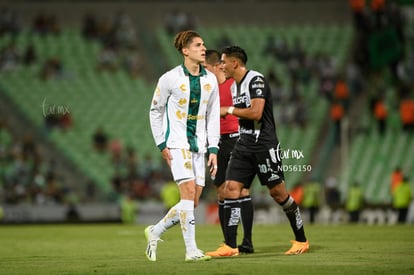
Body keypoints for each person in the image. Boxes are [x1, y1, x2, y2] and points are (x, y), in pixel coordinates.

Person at [206, 46, 309, 257]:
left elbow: (256, 112)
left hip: (264, 146)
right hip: (243, 145)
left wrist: (229, 110)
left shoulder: (256, 80)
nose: (221, 66)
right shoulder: (234, 86)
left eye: (224, 62)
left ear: (235, 63)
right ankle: (230, 246)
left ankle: (301, 239)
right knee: (230, 189)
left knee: (278, 194)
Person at [146, 30, 220, 262]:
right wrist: (161, 143)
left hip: (200, 147)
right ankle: (191, 251)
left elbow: (213, 116)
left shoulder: (210, 80)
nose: (203, 48)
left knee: (192, 202)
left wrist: (214, 149)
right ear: (185, 50)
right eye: (198, 45)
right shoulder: (169, 78)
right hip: (177, 144)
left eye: (204, 44)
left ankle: (154, 231)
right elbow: (155, 111)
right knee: (187, 195)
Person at [203, 49, 255, 254]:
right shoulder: (209, 88)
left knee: (240, 190)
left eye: (206, 67)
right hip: (217, 143)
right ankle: (228, 242)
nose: (203, 71)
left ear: (216, 65)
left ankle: (246, 242)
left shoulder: (234, 84)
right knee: (222, 191)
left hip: (236, 139)